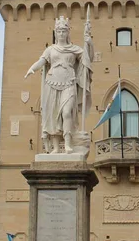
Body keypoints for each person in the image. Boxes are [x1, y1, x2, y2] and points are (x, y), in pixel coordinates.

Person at [25, 16, 93, 154]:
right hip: (52, 83)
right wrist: (31, 69)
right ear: (55, 33)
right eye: (59, 31)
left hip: (69, 83)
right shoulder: (51, 50)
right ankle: (56, 148)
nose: (61, 34)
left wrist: (89, 42)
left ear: (68, 33)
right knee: (53, 115)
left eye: (64, 31)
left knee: (66, 112)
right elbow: (41, 61)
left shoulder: (74, 49)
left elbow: (87, 58)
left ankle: (68, 143)